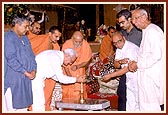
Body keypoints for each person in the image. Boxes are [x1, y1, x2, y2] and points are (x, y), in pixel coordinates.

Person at [129, 8, 164, 111]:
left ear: (144, 17)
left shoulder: (153, 31)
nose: (134, 23)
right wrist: (134, 62)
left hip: (151, 78)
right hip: (146, 76)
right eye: (132, 20)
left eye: (135, 19)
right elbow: (145, 54)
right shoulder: (146, 31)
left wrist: (138, 64)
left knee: (151, 108)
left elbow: (156, 55)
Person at [4, 14, 37, 111]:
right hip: (14, 80)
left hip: (26, 80)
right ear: (17, 25)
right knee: (12, 108)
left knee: (24, 108)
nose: (28, 29)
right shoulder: (8, 38)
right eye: (25, 26)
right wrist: (25, 72)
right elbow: (11, 59)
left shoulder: (25, 38)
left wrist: (34, 70)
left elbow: (32, 56)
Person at [102, 31, 139, 111]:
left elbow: (127, 69)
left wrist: (110, 75)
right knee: (130, 104)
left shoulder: (131, 49)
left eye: (120, 41)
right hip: (129, 80)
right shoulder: (119, 48)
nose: (118, 45)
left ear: (124, 38)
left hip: (137, 79)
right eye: (115, 43)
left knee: (137, 104)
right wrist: (120, 61)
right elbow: (116, 64)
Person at [27, 25, 62, 111]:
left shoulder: (56, 46)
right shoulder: (40, 39)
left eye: (59, 37)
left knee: (47, 93)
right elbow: (27, 50)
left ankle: (46, 109)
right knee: (36, 95)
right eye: (56, 36)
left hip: (49, 74)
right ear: (50, 34)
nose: (57, 39)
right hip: (36, 71)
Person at [116, 9, 142, 111]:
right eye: (119, 23)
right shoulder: (121, 34)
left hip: (137, 71)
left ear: (130, 19)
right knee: (122, 95)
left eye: (123, 22)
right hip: (124, 71)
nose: (121, 25)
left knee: (137, 99)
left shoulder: (139, 33)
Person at [61, 31, 92, 100]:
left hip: (80, 72)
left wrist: (78, 66)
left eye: (80, 42)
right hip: (68, 72)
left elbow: (87, 60)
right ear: (72, 39)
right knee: (68, 94)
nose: (78, 44)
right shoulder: (67, 44)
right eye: (76, 42)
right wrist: (70, 78)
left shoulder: (85, 44)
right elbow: (64, 63)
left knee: (80, 92)